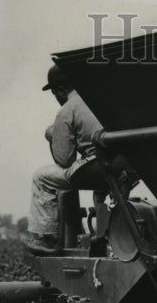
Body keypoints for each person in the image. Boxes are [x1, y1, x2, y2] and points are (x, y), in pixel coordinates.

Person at [21, 65, 104, 256]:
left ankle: (47, 239)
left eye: (55, 94)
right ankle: (101, 233)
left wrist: (53, 136)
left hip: (97, 165)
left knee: (41, 177)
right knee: (99, 189)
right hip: (120, 163)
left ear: (58, 90)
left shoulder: (67, 109)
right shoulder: (97, 98)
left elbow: (64, 160)